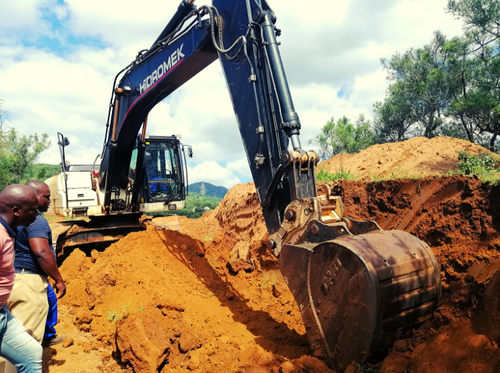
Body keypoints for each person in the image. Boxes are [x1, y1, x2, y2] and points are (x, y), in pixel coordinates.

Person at [7, 181, 66, 349]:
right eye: (46, 197)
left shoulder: (14, 218)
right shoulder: (36, 220)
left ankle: (47, 335)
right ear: (32, 196)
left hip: (14, 276)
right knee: (26, 345)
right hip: (28, 280)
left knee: (50, 298)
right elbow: (41, 251)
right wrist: (59, 279)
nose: (49, 200)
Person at [0, 184, 42, 372]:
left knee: (31, 354)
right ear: (16, 211)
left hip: (3, 314)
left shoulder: (7, 232)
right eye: (33, 210)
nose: (36, 215)